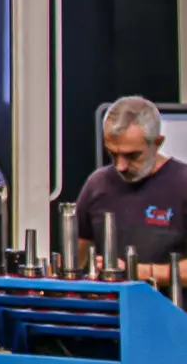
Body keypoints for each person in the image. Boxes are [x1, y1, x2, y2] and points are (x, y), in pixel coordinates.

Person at [75, 95, 187, 286]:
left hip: (169, 305)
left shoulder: (182, 184)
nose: (121, 166)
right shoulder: (97, 184)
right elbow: (73, 260)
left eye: (132, 156)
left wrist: (137, 271)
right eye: (113, 154)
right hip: (110, 305)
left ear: (157, 142)